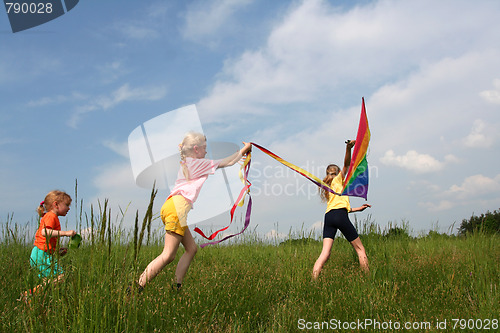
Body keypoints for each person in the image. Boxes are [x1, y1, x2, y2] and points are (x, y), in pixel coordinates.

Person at [133, 132, 252, 293]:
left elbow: (230, 161)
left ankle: (176, 287)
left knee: (191, 249)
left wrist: (240, 155)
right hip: (177, 208)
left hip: (173, 207)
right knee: (168, 255)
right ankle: (135, 289)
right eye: (204, 148)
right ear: (196, 149)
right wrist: (246, 148)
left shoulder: (188, 163)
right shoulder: (197, 163)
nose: (206, 152)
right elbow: (229, 161)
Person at [312, 140, 371, 279]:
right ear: (338, 172)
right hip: (340, 215)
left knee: (325, 253)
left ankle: (313, 281)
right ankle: (368, 280)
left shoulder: (328, 186)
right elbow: (347, 164)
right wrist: (348, 148)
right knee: (360, 249)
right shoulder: (338, 179)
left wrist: (358, 209)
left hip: (329, 217)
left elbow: (340, 206)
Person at [19, 190, 76, 302]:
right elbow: (45, 232)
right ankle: (29, 294)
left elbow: (46, 241)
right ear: (56, 204)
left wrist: (57, 251)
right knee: (60, 278)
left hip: (42, 253)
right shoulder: (51, 216)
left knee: (50, 283)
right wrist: (66, 233)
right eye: (67, 205)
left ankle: (33, 301)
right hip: (41, 254)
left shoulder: (52, 217)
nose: (69, 208)